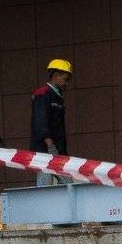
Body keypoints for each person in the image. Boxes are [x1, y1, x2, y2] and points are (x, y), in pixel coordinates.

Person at [30, 58, 71, 187]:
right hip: (46, 149)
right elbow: (41, 119)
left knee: (67, 184)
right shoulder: (43, 94)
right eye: (65, 79)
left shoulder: (58, 97)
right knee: (45, 186)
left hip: (57, 149)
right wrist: (50, 145)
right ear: (55, 75)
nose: (66, 83)